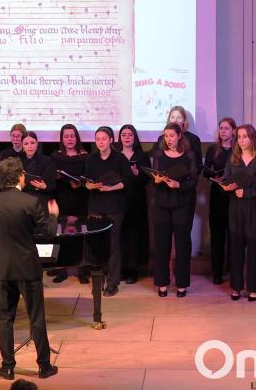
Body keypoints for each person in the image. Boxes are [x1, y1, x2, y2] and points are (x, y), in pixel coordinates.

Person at [0, 157, 59, 381]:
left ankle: (7, 368)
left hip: (3, 268)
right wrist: (53, 215)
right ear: (19, 176)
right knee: (37, 318)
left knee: (5, 319)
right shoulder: (31, 202)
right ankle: (44, 367)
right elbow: (48, 233)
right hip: (27, 267)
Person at [221, 124, 256, 301]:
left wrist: (249, 192)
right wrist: (227, 186)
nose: (241, 140)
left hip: (254, 207)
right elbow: (225, 178)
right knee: (235, 247)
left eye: (245, 136)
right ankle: (236, 287)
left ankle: (254, 287)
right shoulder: (233, 158)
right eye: (239, 137)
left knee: (255, 248)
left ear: (252, 138)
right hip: (235, 207)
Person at [150, 123, 198, 298]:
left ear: (179, 136)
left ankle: (182, 284)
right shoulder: (159, 154)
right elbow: (154, 177)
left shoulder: (189, 155)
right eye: (166, 136)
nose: (168, 139)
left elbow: (193, 182)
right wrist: (156, 180)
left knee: (182, 245)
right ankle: (162, 282)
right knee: (161, 244)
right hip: (162, 204)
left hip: (182, 204)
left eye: (171, 135)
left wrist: (179, 185)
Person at [83, 126, 129, 297]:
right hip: (95, 206)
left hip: (114, 206)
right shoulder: (91, 159)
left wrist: (111, 188)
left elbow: (127, 181)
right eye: (98, 139)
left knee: (113, 245)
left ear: (111, 140)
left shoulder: (120, 158)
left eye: (104, 139)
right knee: (95, 246)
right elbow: (86, 181)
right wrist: (90, 185)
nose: (100, 142)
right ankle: (98, 281)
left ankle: (112, 283)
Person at [50, 124, 89, 284]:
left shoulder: (85, 156)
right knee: (61, 235)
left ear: (77, 137)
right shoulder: (55, 156)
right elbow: (51, 178)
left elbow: (88, 177)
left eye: (72, 136)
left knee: (81, 235)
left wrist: (79, 183)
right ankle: (62, 270)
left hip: (81, 198)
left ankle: (82, 270)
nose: (69, 139)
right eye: (66, 136)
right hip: (62, 199)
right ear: (62, 139)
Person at [204, 118, 236, 284]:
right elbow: (205, 171)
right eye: (221, 128)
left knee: (234, 234)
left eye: (226, 128)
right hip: (217, 195)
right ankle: (217, 271)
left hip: (233, 196)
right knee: (217, 235)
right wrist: (215, 176)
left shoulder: (238, 149)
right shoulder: (213, 149)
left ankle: (233, 269)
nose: (223, 131)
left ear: (233, 131)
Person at [117, 124, 149, 284]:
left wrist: (137, 174)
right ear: (119, 137)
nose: (127, 137)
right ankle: (122, 268)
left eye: (130, 134)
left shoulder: (142, 156)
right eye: (123, 134)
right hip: (118, 199)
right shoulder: (115, 155)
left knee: (134, 235)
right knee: (120, 235)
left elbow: (147, 180)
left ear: (134, 137)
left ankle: (133, 270)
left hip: (136, 200)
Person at [19, 131, 56, 203]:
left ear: (37, 143)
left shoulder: (47, 161)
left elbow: (53, 186)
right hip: (22, 197)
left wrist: (44, 186)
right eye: (26, 144)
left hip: (41, 197)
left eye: (32, 143)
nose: (29, 146)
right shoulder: (18, 161)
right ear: (22, 146)